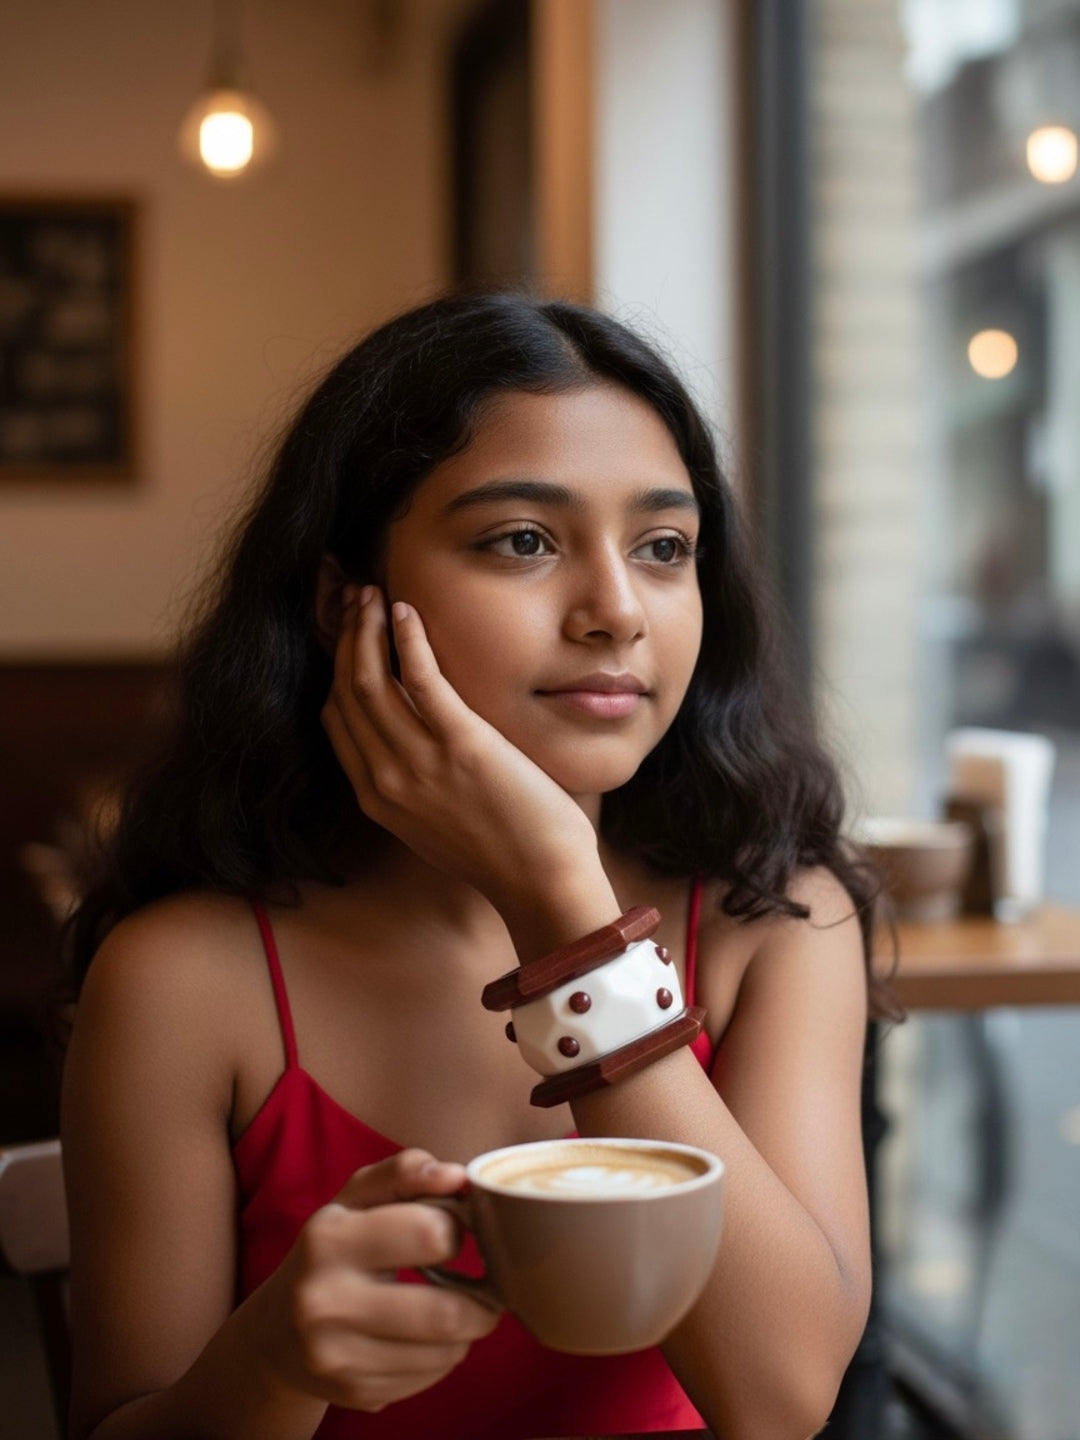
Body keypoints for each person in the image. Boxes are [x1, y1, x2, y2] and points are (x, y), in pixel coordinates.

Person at [61, 291, 881, 1440]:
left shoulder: (777, 924)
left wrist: (558, 902)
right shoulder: (182, 980)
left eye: (663, 547)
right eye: (524, 541)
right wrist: (273, 1357)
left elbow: (782, 1398)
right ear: (345, 601)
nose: (615, 611)